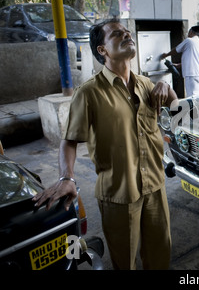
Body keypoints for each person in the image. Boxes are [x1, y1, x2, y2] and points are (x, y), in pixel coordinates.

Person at [32, 18, 178, 270]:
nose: (127, 35)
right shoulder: (89, 92)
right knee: (125, 261)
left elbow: (177, 108)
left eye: (127, 31)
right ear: (102, 50)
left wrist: (166, 85)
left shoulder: (145, 84)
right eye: (117, 34)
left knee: (160, 256)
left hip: (155, 187)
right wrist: (67, 177)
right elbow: (69, 140)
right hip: (119, 195)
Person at [161, 27, 199, 97]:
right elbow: (194, 60)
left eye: (188, 32)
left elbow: (176, 50)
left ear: (191, 32)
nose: (187, 34)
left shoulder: (189, 41)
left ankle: (194, 108)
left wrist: (166, 55)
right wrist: (178, 65)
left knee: (193, 97)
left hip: (192, 74)